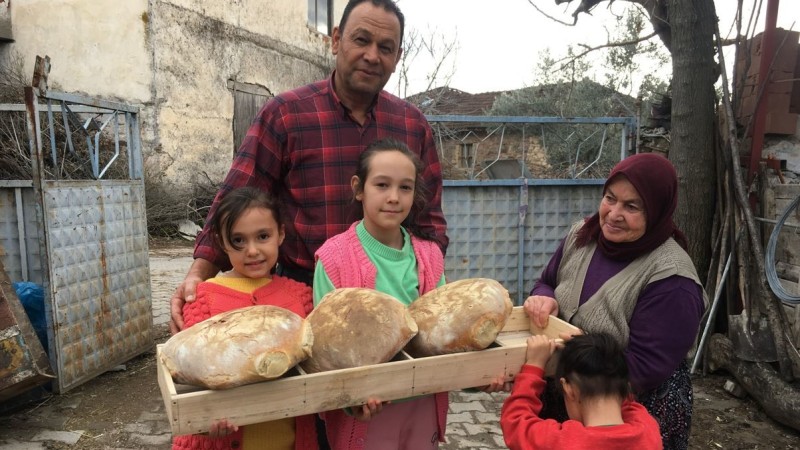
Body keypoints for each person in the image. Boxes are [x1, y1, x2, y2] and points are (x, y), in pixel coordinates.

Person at [169, 0, 447, 333]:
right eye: (361, 40)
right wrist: (198, 275)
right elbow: (238, 198)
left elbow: (430, 222)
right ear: (335, 40)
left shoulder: (411, 124)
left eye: (385, 47)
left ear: (397, 57)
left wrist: (428, 282)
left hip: (395, 300)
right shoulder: (287, 114)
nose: (372, 55)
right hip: (301, 298)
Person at [522, 153, 706, 450]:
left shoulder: (673, 281)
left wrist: (552, 369)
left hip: (625, 416)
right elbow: (547, 281)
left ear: (657, 211)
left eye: (631, 206)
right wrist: (543, 298)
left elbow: (643, 367)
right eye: (610, 198)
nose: (613, 213)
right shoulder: (583, 235)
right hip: (570, 396)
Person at [311, 138, 448, 449]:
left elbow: (444, 335)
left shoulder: (430, 256)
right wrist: (353, 400)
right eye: (382, 185)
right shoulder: (334, 259)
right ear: (359, 188)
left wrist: (477, 380)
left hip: (422, 401)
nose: (394, 198)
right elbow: (326, 349)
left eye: (405, 187)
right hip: (366, 412)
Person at [171, 187, 318, 450]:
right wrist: (205, 423)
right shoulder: (203, 299)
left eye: (263, 236)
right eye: (238, 240)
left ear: (280, 234)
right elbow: (189, 377)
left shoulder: (301, 296)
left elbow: (317, 371)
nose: (252, 250)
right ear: (221, 242)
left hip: (290, 439)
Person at [500, 333, 663, 450]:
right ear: (625, 388)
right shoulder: (648, 432)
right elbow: (629, 405)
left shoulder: (561, 442)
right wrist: (590, 351)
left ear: (569, 390)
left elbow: (515, 421)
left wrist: (533, 366)